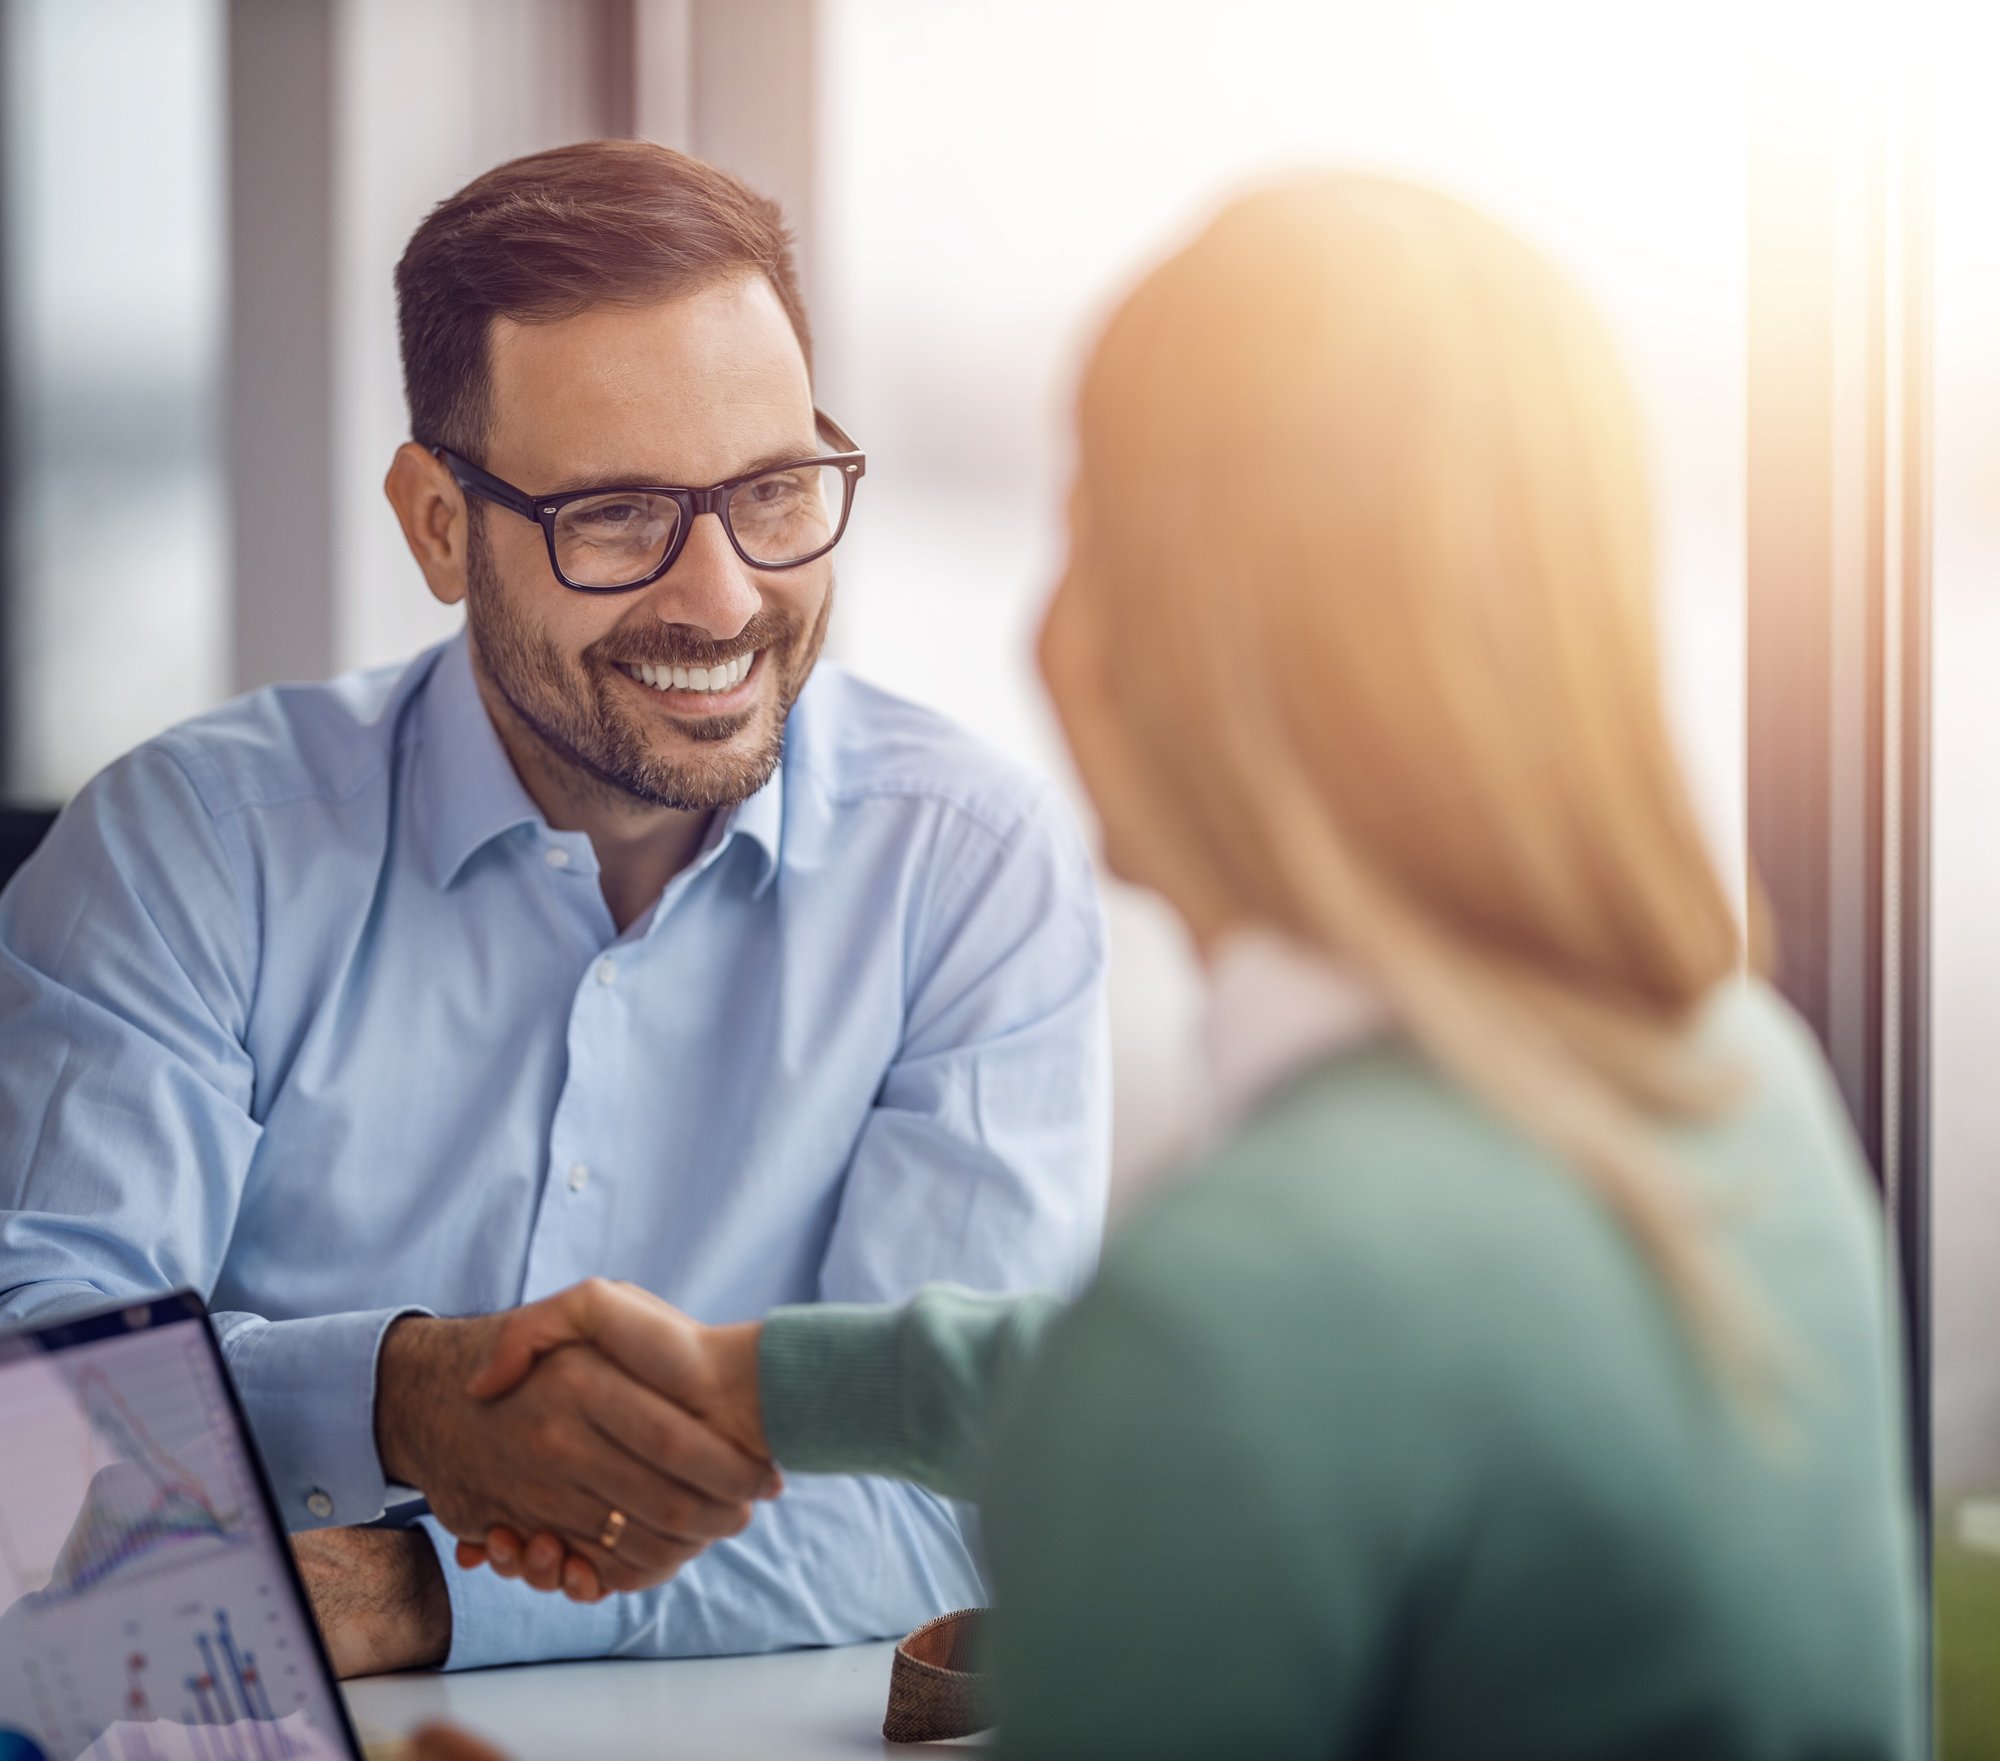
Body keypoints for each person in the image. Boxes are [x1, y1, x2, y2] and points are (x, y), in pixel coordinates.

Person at [418, 175, 1921, 1758]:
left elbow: (1213, 1373)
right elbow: (1212, 1375)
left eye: (1083, 532)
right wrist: (757, 1382)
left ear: (1162, 646)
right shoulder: (1744, 1082)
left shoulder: (1236, 1316)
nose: (1045, 617)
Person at [0, 141, 1110, 1675]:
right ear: (438, 522)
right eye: (614, 515)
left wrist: (413, 1592)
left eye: (775, 492)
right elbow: (29, 1410)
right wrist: (396, 1400)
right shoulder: (187, 851)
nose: (722, 598)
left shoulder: (971, 866)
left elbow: (960, 1496)